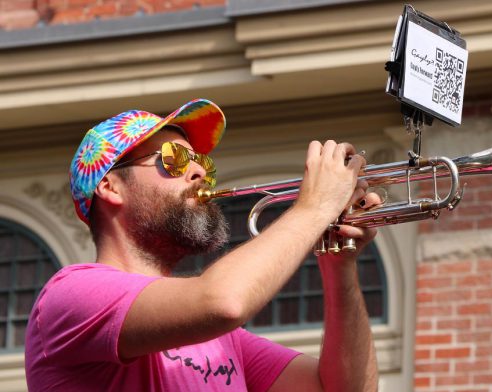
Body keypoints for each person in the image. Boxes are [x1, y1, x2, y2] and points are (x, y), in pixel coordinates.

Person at [24, 98, 380, 391]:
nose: (198, 172)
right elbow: (224, 301)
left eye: (200, 162)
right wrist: (314, 208)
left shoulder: (223, 341)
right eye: (173, 159)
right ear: (110, 187)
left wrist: (339, 264)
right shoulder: (71, 293)